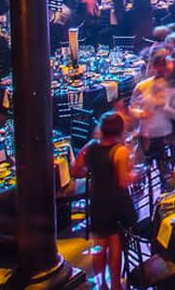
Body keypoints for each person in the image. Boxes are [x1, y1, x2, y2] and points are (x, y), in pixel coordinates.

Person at [73, 112, 137, 290]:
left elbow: (76, 170)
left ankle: (101, 284)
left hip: (97, 201)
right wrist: (136, 174)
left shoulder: (91, 146)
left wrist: (92, 172)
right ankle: (115, 284)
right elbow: (123, 181)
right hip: (115, 203)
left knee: (99, 244)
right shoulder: (119, 151)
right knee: (114, 244)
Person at [130, 52, 175, 156]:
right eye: (157, 70)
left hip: (164, 136)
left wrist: (166, 108)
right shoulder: (142, 86)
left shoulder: (174, 88)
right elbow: (132, 107)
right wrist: (140, 114)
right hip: (144, 135)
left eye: (163, 70)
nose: (160, 73)